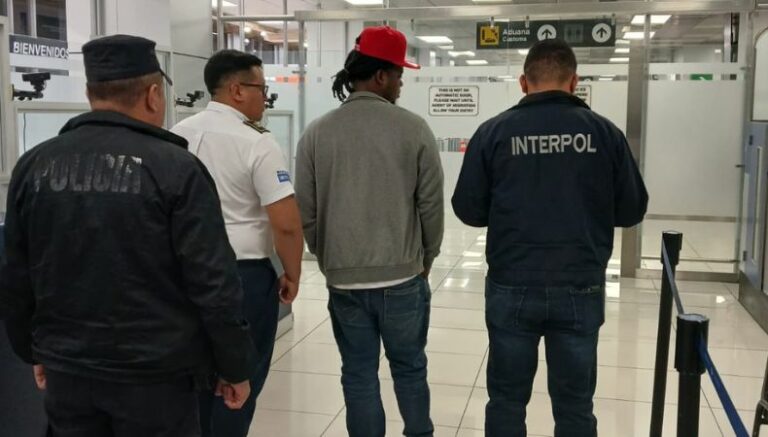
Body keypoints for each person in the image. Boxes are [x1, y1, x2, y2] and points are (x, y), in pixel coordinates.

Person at [1, 34, 254, 437]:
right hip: (157, 376)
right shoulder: (177, 169)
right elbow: (213, 282)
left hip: (69, 370)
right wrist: (234, 364)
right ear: (153, 95)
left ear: (90, 93)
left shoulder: (34, 166)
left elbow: (16, 274)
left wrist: (34, 350)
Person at [451, 39, 648, 437]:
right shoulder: (605, 134)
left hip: (511, 284)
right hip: (580, 284)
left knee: (506, 400)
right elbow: (632, 210)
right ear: (574, 82)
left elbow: (468, 210)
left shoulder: (493, 133)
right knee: (575, 406)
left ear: (524, 82)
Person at [295, 25, 444, 437]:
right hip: (402, 278)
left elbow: (305, 208)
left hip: (345, 281)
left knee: (358, 374)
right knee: (410, 368)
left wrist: (328, 255)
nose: (401, 83)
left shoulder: (317, 133)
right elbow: (430, 204)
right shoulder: (413, 129)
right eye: (398, 75)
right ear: (380, 76)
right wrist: (427, 257)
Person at [172, 49, 303, 437]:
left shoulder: (177, 134)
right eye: (261, 89)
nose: (266, 98)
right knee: (238, 383)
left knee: (191, 380)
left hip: (180, 276)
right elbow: (286, 225)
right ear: (237, 90)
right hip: (242, 278)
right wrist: (292, 274)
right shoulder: (257, 142)